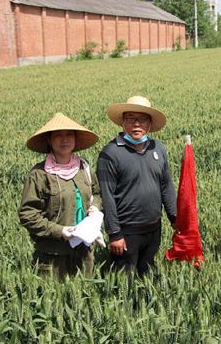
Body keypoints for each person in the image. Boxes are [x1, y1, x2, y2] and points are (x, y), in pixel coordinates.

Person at [97, 94, 177, 277]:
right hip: (127, 230)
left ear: (150, 123)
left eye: (142, 119)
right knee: (124, 281)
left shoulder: (158, 148)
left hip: (154, 228)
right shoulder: (110, 153)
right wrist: (114, 234)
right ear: (122, 122)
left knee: (148, 276)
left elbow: (166, 185)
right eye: (131, 118)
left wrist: (174, 217)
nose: (136, 124)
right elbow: (107, 197)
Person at [19, 112, 104, 278]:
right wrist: (60, 231)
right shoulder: (39, 174)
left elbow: (96, 193)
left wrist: (95, 208)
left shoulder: (84, 168)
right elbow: (28, 215)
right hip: (53, 255)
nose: (64, 139)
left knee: (85, 291)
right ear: (49, 140)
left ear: (75, 139)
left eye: (69, 134)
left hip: (84, 251)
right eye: (58, 135)